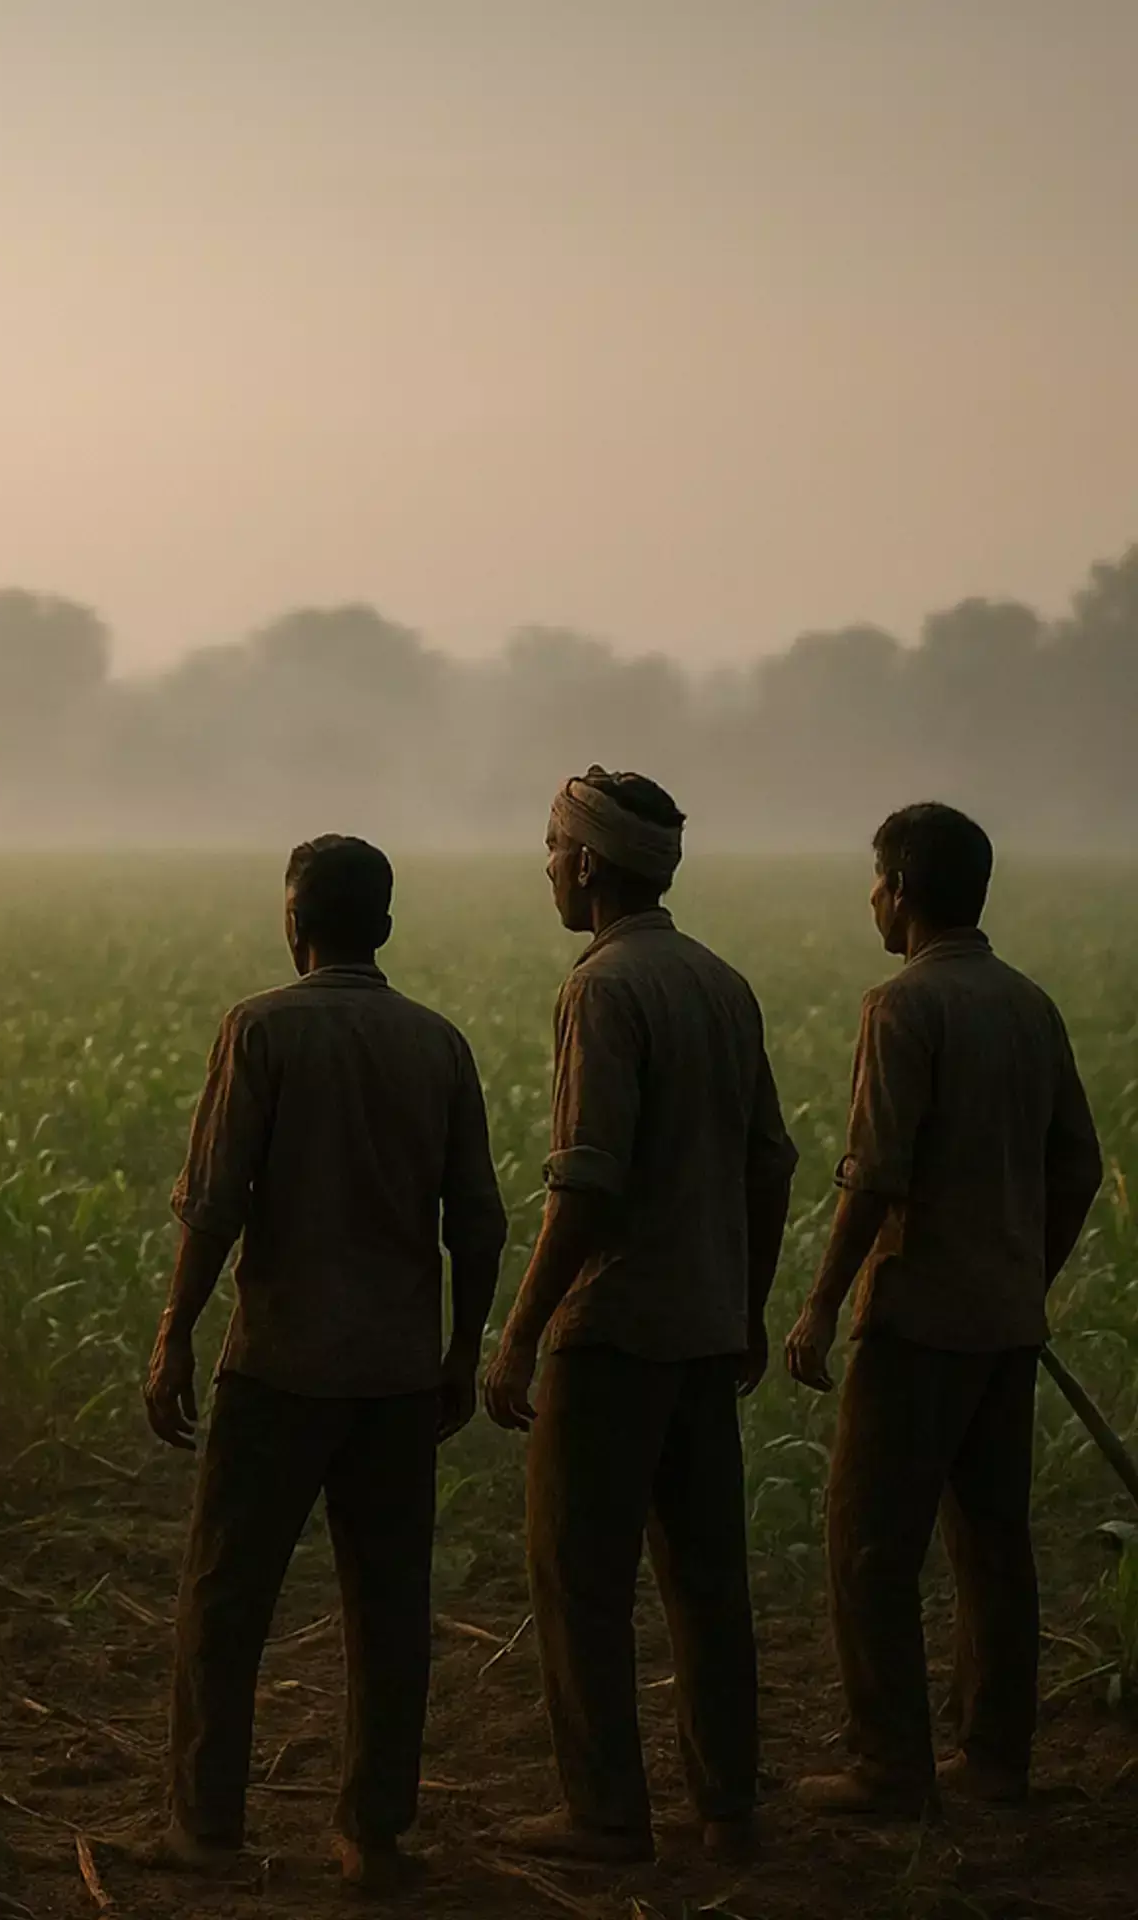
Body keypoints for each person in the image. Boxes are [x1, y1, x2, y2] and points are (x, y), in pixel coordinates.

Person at [137, 834, 508, 1893]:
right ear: (383, 927)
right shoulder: (437, 1045)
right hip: (393, 1374)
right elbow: (475, 1224)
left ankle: (205, 1826)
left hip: (279, 1367)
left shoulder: (260, 1030)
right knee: (388, 1609)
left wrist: (175, 1330)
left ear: (292, 922)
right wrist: (459, 1349)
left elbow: (214, 1207)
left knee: (224, 1596)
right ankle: (372, 1834)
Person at [482, 768, 797, 1865]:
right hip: (706, 1330)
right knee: (709, 1583)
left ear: (586, 862)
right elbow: (773, 1162)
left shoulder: (602, 990)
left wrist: (519, 1331)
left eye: (553, 846)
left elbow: (586, 1182)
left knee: (580, 1577)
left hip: (612, 1331)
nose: (548, 866)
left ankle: (604, 1813)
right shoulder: (721, 983)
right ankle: (727, 1811)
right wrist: (747, 1304)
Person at [785, 803, 1105, 1817]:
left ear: (904, 890)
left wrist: (819, 1307)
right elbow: (1079, 1163)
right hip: (1004, 1323)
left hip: (916, 1320)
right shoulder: (1026, 1003)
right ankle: (994, 1756)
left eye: (877, 880)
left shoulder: (900, 1007)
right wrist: (1026, 1272)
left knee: (869, 1543)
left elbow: (874, 1177)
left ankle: (888, 1764)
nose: (871, 898)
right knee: (992, 1544)